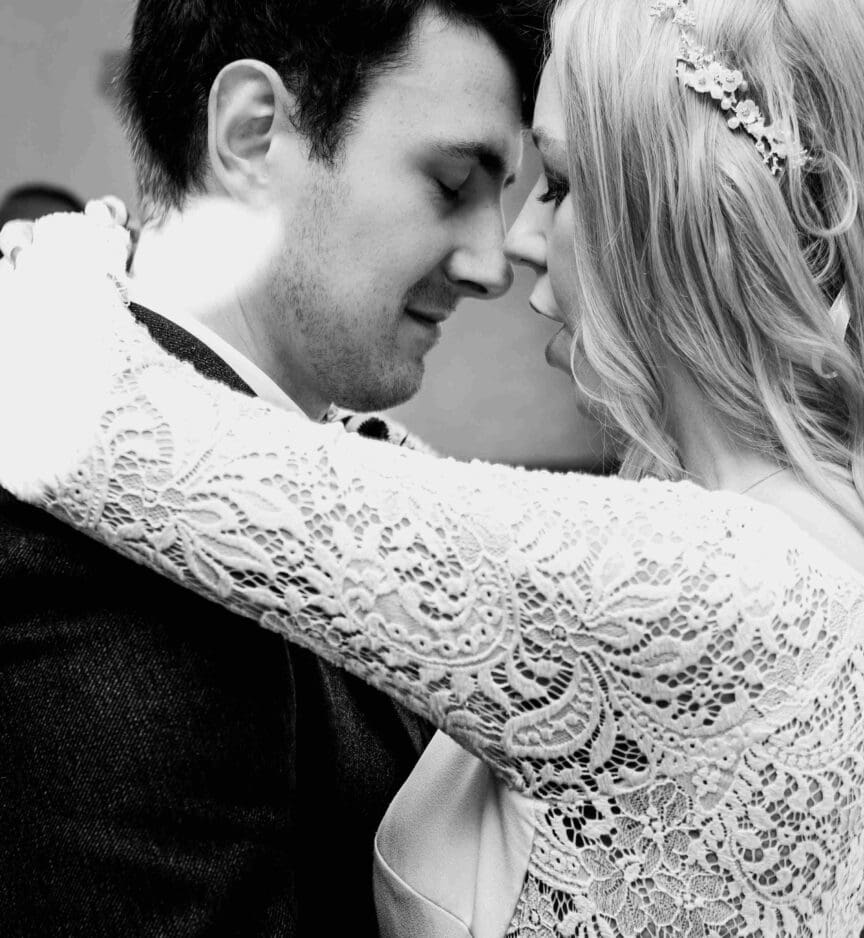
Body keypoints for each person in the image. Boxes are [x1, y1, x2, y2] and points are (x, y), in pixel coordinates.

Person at [1, 0, 864, 936]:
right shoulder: (787, 546)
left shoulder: (719, 582)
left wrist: (62, 252)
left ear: (689, 206)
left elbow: (106, 425)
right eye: (457, 183)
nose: (514, 246)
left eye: (559, 185)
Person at [0, 1, 547, 936]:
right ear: (253, 135)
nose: (493, 265)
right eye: (452, 182)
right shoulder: (102, 545)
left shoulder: (316, 463)